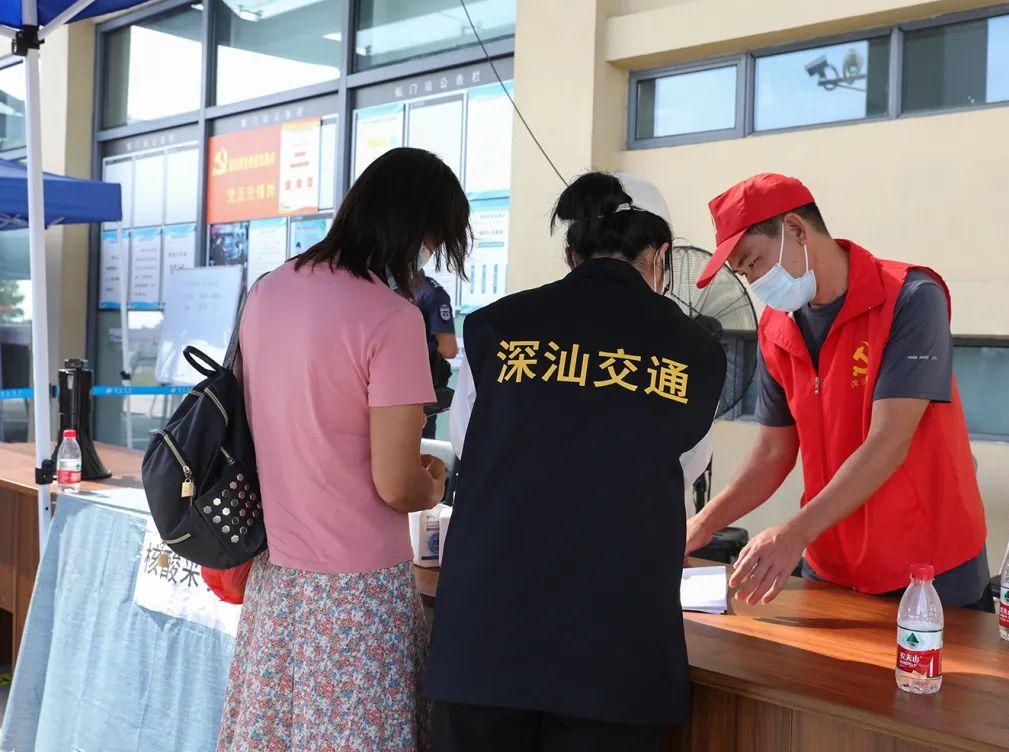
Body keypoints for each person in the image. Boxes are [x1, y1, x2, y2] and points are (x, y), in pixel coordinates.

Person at [424, 172, 727, 752]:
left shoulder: (495, 328)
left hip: (486, 638)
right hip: (614, 651)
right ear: (659, 256)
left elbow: (470, 445)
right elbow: (684, 469)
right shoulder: (696, 352)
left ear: (571, 252)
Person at [217, 147, 470, 752]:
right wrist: (433, 482)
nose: (425, 259)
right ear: (414, 230)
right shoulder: (392, 319)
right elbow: (396, 483)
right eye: (432, 242)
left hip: (276, 580)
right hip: (358, 597)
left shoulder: (268, 292)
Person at [686, 173, 990, 610]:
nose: (754, 282)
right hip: (831, 561)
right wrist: (701, 524)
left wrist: (794, 533)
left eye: (754, 262)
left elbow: (888, 441)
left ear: (795, 229)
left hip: (929, 565)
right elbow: (773, 453)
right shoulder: (776, 328)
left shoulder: (909, 298)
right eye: (744, 273)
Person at [412, 269, 458, 439]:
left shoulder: (431, 294)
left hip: (421, 387)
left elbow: (448, 348)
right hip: (391, 386)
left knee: (420, 443)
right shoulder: (387, 289)